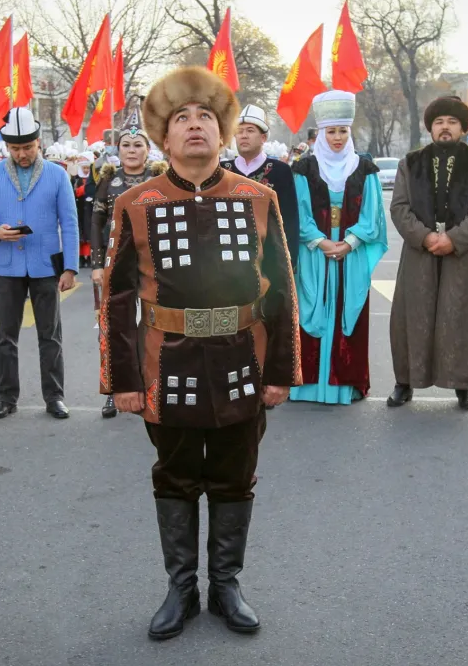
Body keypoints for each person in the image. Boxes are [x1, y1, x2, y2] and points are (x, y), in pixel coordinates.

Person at [100, 67, 299, 639]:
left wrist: (281, 371)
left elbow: (282, 288)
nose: (194, 127)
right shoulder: (136, 202)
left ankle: (227, 584)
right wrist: (125, 380)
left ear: (224, 132)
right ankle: (181, 588)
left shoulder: (259, 199)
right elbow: (116, 299)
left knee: (237, 477)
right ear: (164, 138)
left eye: (205, 118)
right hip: (168, 365)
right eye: (181, 119)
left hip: (244, 359)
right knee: (176, 475)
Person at [386, 95, 468, 410]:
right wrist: (425, 237)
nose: (445, 128)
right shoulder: (410, 162)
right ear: (430, 128)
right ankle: (404, 382)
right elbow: (400, 207)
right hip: (419, 252)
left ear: (462, 128)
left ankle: (463, 385)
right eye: (438, 122)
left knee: (462, 316)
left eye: (451, 122)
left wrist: (453, 239)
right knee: (412, 316)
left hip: (463, 253)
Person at [0, 107, 79, 420]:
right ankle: (6, 398)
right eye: (15, 149)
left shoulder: (58, 175)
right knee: (6, 337)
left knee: (50, 336)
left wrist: (70, 267)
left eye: (27, 148)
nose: (22, 154)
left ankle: (55, 397)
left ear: (39, 143)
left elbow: (69, 224)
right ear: (7, 147)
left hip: (45, 266)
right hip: (7, 266)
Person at [291, 91, 387, 405]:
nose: (337, 137)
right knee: (310, 309)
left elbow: (372, 216)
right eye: (331, 131)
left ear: (349, 131)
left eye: (342, 131)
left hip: (350, 254)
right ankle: (306, 383)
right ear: (321, 132)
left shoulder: (364, 168)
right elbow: (298, 214)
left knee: (349, 311)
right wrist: (321, 242)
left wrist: (349, 243)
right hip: (315, 253)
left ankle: (344, 383)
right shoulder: (304, 168)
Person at [89, 104, 167, 419]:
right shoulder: (108, 182)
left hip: (154, 267)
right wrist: (97, 264)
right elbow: (95, 224)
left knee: (154, 326)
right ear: (117, 150)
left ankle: (153, 387)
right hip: (115, 266)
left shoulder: (161, 181)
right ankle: (114, 389)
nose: (131, 150)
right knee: (112, 327)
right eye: (126, 145)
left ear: (148, 150)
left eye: (138, 145)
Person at [220, 104, 300, 271]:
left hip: (269, 258)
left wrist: (289, 259)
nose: (243, 136)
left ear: (263, 138)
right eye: (239, 131)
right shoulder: (222, 170)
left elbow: (290, 218)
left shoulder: (280, 170)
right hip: (227, 258)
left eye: (250, 131)